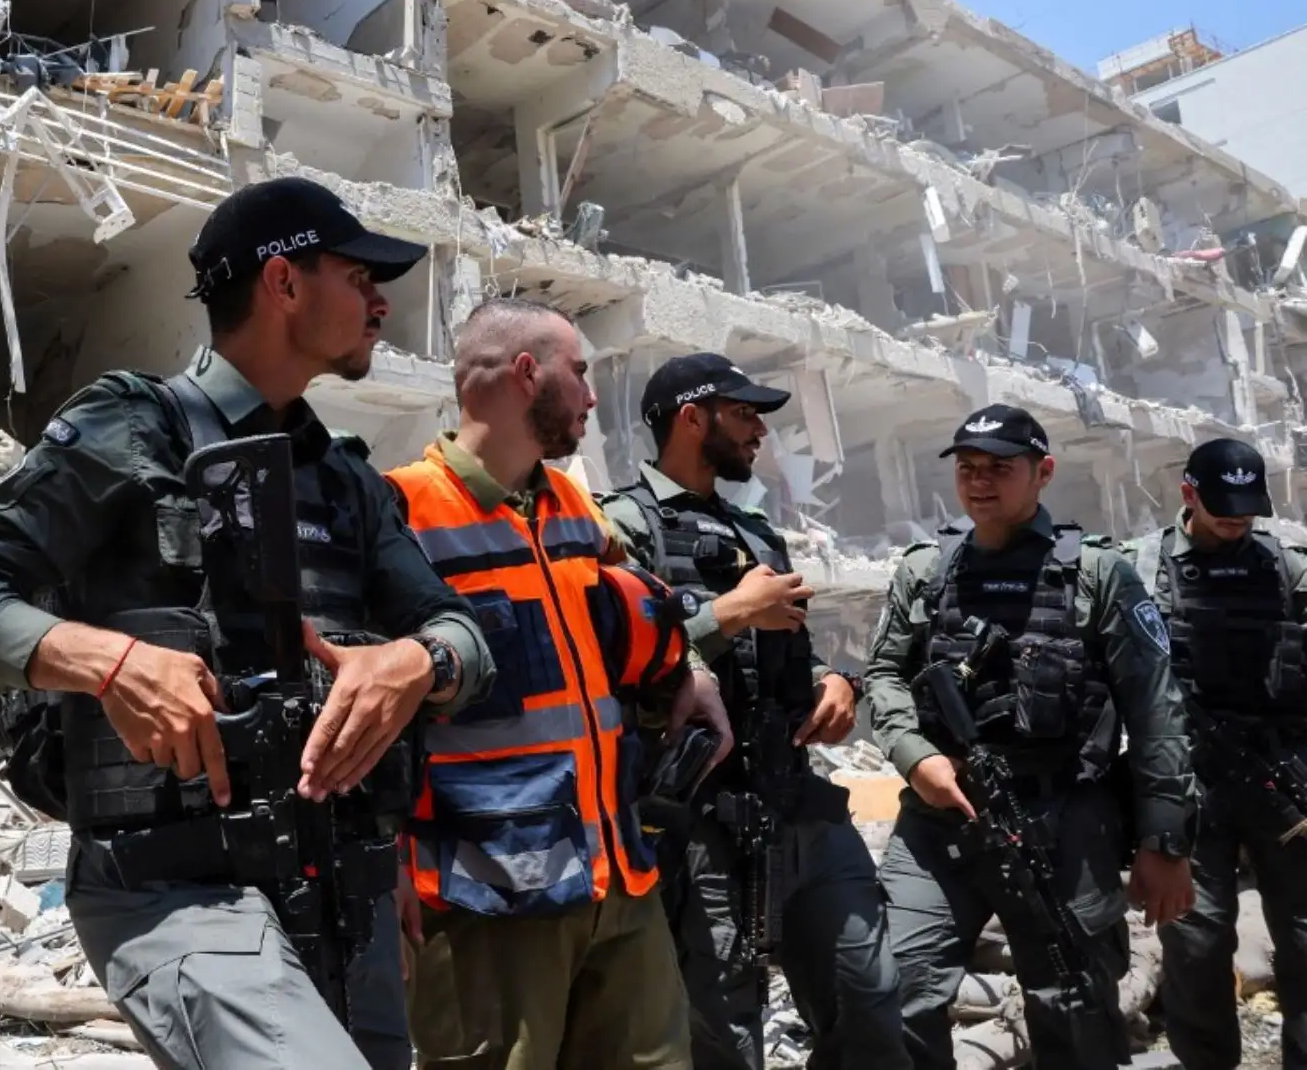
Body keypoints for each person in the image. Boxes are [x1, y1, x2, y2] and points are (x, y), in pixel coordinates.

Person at [0, 176, 497, 1070]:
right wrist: (108, 663)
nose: (382, 301)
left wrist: (417, 663)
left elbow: (462, 635)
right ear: (283, 283)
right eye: (358, 274)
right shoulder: (131, 424)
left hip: (346, 892)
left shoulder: (346, 481)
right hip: (173, 884)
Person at [385, 297, 721, 1070]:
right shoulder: (403, 511)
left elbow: (648, 618)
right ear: (526, 373)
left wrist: (693, 673)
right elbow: (367, 711)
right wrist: (390, 864)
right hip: (488, 902)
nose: (593, 396)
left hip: (617, 880)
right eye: (580, 372)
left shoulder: (573, 506)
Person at [596, 352, 911, 1070]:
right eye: (743, 414)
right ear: (691, 418)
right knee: (724, 1033)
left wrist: (839, 684)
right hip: (701, 823)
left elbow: (791, 660)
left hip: (796, 802)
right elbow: (613, 653)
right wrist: (729, 612)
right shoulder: (620, 526)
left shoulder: (756, 532)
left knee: (870, 1000)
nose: (760, 431)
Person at [862, 403, 1196, 1070]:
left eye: (999, 468)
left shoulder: (1100, 575)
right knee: (888, 990)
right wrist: (914, 753)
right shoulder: (927, 570)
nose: (979, 482)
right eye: (967, 468)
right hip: (940, 820)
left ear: (1043, 472)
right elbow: (884, 675)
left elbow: (1155, 708)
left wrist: (1166, 839)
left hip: (1063, 821)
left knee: (1073, 1005)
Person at [1125, 438, 1307, 1070]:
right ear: (1188, 495)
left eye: (1247, 507)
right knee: (1196, 947)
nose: (1236, 519)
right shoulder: (1140, 568)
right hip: (1187, 790)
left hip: (1282, 786)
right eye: (1221, 505)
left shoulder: (1289, 567)